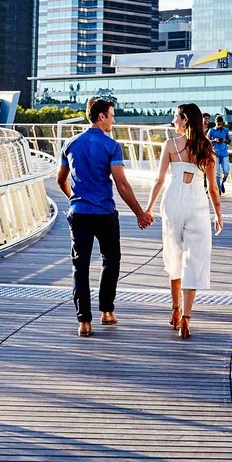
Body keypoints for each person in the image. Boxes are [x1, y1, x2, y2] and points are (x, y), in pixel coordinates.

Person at [56, 97, 152, 337]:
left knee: (80, 266)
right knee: (111, 260)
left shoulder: (70, 144)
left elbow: (60, 179)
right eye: (111, 115)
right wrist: (140, 213)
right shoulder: (111, 146)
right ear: (101, 117)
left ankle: (84, 322)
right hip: (104, 214)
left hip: (79, 214)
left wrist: (74, 200)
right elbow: (122, 184)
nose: (113, 120)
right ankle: (107, 311)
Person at [147, 103, 224, 340]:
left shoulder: (170, 145)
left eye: (175, 117)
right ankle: (187, 318)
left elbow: (159, 181)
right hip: (196, 204)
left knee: (174, 255)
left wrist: (148, 209)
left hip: (172, 202)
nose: (173, 121)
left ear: (185, 120)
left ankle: (175, 309)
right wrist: (218, 215)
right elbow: (213, 189)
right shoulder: (207, 148)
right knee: (195, 258)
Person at [209, 116, 232, 195]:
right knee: (217, 173)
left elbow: (229, 141)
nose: (219, 125)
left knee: (226, 171)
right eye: (218, 123)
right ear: (215, 122)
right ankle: (218, 190)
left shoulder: (226, 130)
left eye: (221, 123)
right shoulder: (211, 130)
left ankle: (223, 183)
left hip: (224, 153)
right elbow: (207, 141)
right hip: (215, 154)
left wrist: (224, 140)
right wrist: (214, 140)